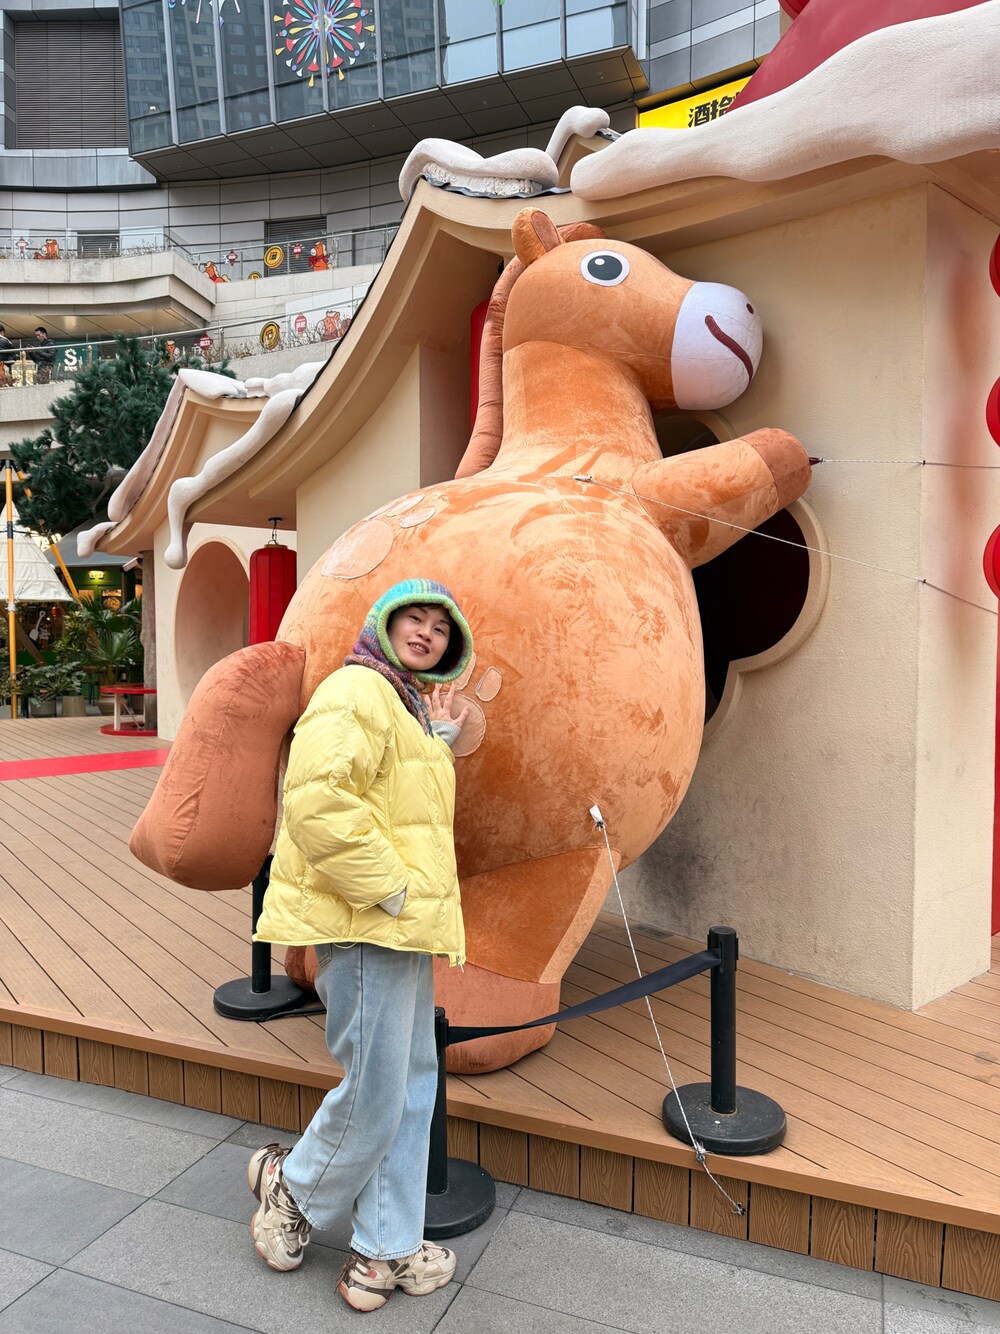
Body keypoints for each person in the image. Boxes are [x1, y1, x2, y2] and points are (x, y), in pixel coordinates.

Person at [249, 578, 474, 1312]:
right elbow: (317, 802)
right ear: (383, 623)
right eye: (415, 617)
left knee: (407, 1087)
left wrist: (437, 745)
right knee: (379, 1088)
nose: (427, 632)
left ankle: (384, 1249)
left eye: (441, 627)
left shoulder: (402, 704)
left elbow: (396, 802)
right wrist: (392, 890)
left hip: (396, 927)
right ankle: (293, 1189)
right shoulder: (356, 688)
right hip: (367, 921)